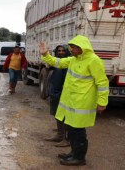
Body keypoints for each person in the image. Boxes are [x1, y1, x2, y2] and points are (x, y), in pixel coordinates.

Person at [39, 35, 109, 166]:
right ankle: (73, 153)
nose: (70, 50)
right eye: (70, 47)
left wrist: (102, 102)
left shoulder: (94, 61)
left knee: (78, 132)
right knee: (70, 130)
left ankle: (79, 157)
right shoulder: (73, 60)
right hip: (71, 102)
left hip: (82, 103)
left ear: (83, 48)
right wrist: (45, 54)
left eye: (74, 47)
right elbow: (57, 62)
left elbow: (102, 83)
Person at [44, 45, 71, 148]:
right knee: (57, 115)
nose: (61, 52)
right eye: (59, 51)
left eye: (63, 50)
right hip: (55, 93)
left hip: (63, 94)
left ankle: (66, 139)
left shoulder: (68, 64)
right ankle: (59, 135)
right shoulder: (57, 63)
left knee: (64, 118)